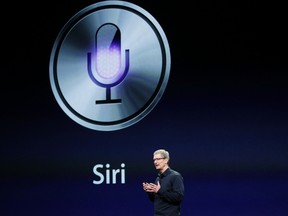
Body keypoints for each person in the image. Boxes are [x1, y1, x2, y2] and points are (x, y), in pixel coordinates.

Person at [143, 149, 184, 216]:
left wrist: (159, 190)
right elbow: (156, 200)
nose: (155, 162)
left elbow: (178, 197)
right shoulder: (158, 179)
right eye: (154, 160)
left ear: (166, 160)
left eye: (158, 159)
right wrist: (149, 192)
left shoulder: (175, 176)